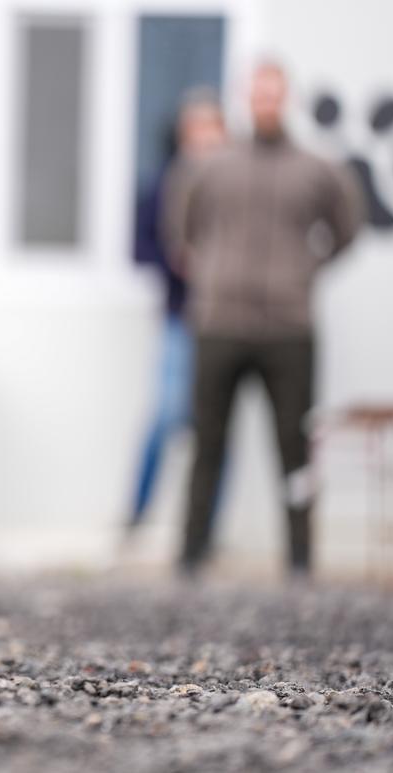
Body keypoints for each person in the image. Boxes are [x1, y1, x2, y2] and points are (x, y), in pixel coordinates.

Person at [164, 61, 364, 577]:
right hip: (219, 324)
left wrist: (304, 272)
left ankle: (299, 560)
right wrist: (210, 273)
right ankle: (191, 556)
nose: (266, 101)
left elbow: (347, 229)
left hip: (289, 327)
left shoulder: (318, 170)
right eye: (258, 92)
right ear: (245, 98)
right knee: (208, 442)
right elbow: (180, 230)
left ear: (286, 98)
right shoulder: (211, 167)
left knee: (293, 446)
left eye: (274, 92)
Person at [129, 89, 227, 531]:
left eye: (211, 128)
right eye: (195, 129)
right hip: (181, 318)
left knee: (215, 429)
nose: (203, 139)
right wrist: (173, 260)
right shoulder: (164, 184)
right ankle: (138, 515)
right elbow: (140, 246)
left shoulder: (236, 186)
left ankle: (204, 527)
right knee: (167, 416)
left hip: (227, 321)